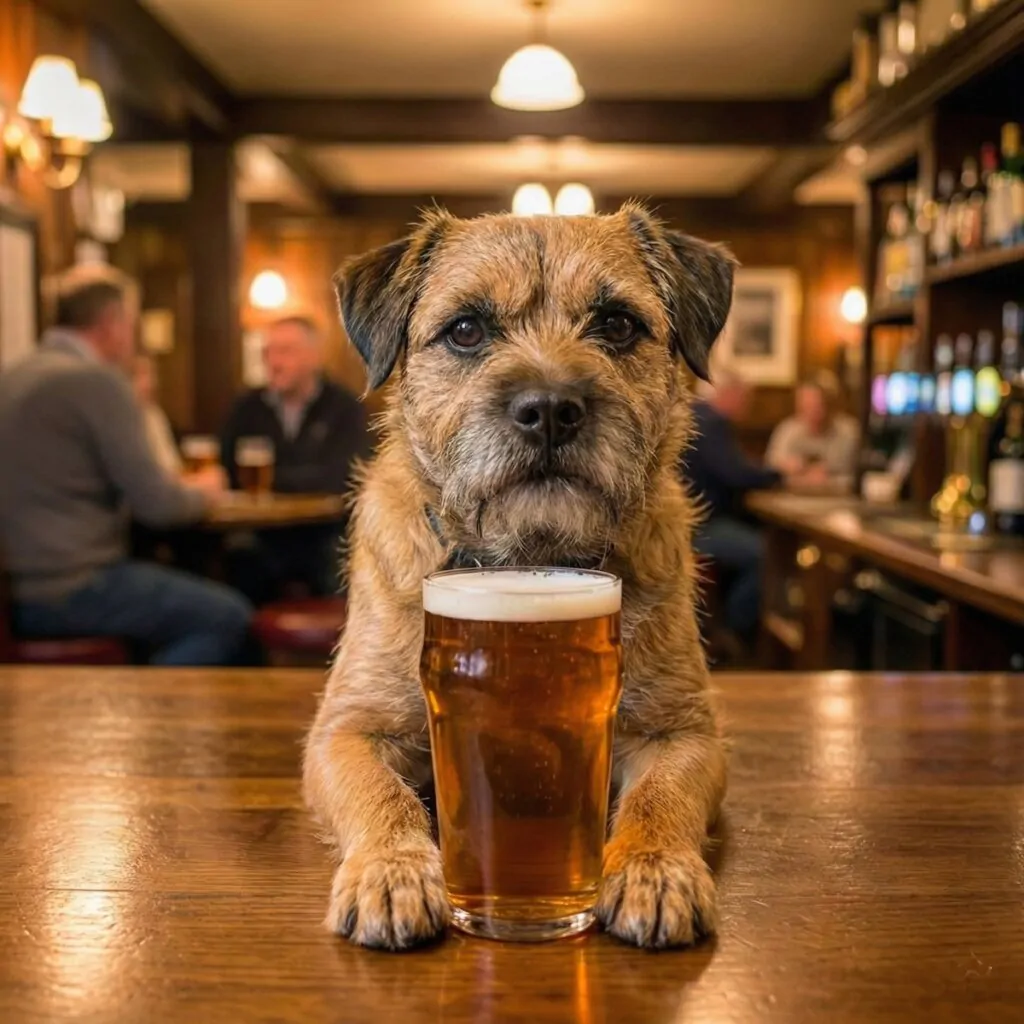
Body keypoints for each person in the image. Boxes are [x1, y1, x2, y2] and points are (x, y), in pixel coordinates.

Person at [0, 265, 252, 666]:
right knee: (226, 616)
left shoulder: (13, 375)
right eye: (132, 322)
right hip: (71, 587)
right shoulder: (97, 382)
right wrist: (204, 491)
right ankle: (149, 716)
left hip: (13, 594)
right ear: (112, 323)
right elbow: (160, 505)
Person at [220, 315, 371, 602]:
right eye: (268, 352)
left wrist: (274, 477)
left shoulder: (344, 407)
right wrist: (304, 476)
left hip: (325, 533)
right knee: (238, 556)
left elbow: (344, 474)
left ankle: (336, 643)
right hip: (262, 536)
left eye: (286, 351)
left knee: (342, 556)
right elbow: (228, 471)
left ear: (315, 358)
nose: (274, 362)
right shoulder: (246, 407)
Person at [680, 370, 781, 648]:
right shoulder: (711, 421)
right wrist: (779, 474)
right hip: (699, 526)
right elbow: (736, 473)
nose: (747, 406)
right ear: (731, 395)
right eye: (745, 398)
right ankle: (735, 631)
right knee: (767, 556)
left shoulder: (697, 414)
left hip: (687, 523)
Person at [766, 371, 860, 489]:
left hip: (837, 500)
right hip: (793, 499)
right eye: (806, 405)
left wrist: (827, 479)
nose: (813, 411)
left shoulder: (849, 432)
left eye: (818, 404)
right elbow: (772, 468)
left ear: (831, 404)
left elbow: (856, 477)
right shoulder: (786, 431)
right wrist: (794, 471)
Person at [132, 353, 184, 477]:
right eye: (138, 375)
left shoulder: (153, 415)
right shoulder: (116, 422)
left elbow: (172, 470)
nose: (150, 383)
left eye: (151, 374)